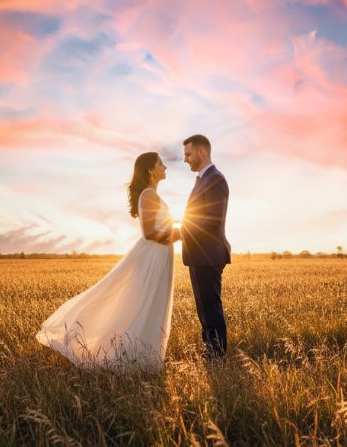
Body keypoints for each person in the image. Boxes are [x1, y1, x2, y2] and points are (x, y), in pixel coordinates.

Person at [36, 152, 176, 371]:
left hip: (160, 256)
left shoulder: (152, 195)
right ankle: (135, 358)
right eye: (161, 164)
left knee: (152, 303)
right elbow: (149, 232)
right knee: (145, 303)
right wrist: (185, 234)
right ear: (151, 169)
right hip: (152, 256)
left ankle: (145, 358)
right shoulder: (148, 195)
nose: (165, 167)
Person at [181, 134, 231, 359]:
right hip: (200, 254)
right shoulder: (203, 179)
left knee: (210, 306)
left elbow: (212, 219)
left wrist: (179, 232)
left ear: (201, 152)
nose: (186, 160)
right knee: (204, 306)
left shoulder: (216, 179)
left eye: (188, 154)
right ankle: (210, 349)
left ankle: (217, 354)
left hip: (208, 255)